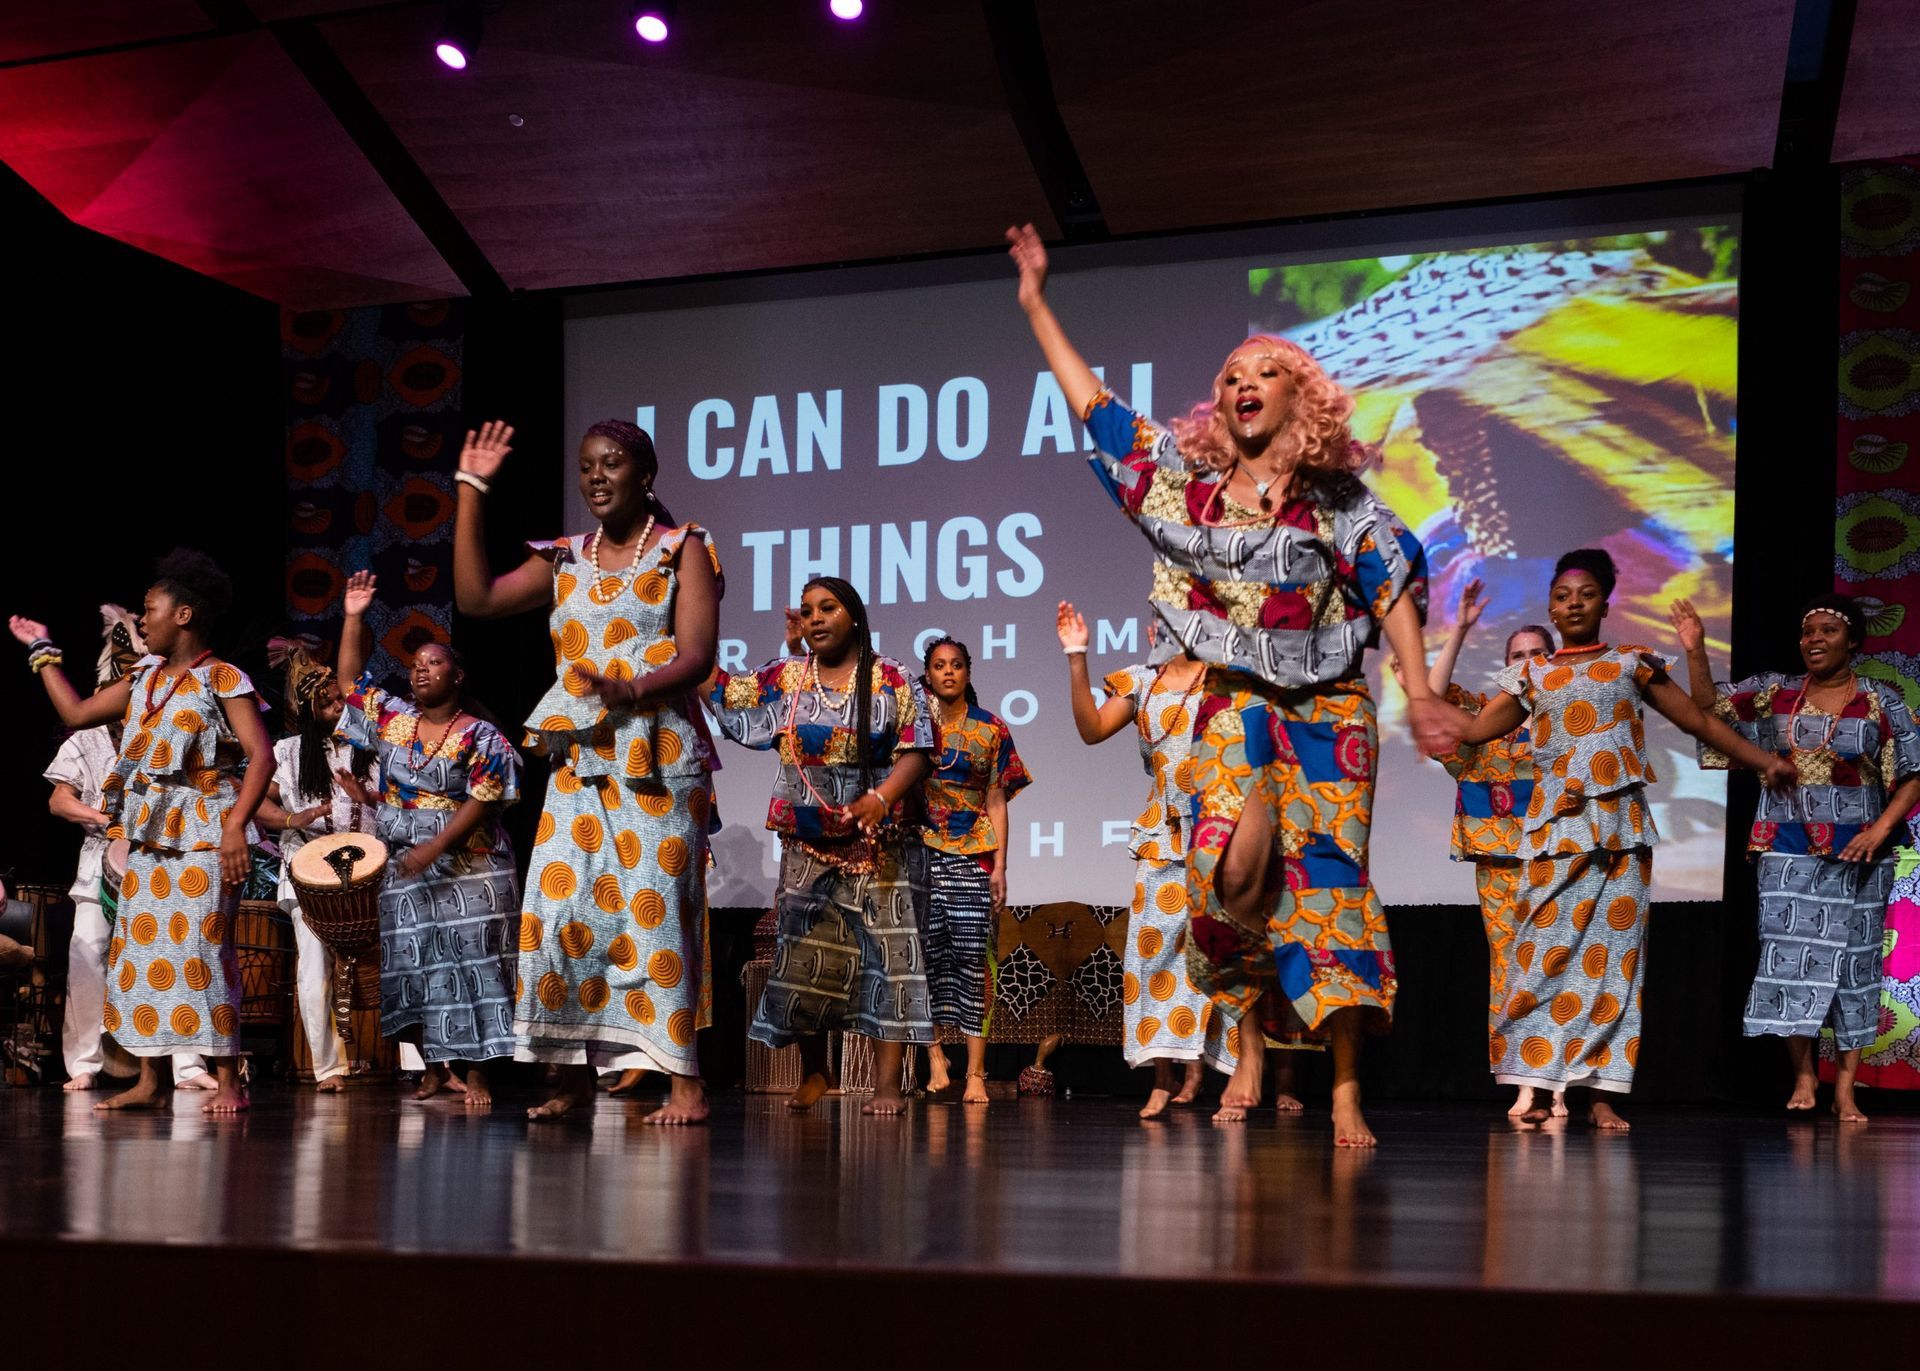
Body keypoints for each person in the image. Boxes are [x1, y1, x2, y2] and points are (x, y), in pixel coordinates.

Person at [1007, 223, 1455, 1146]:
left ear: (1302, 395)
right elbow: (1097, 408)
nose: (1241, 382)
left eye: (1264, 370)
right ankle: (1250, 1028)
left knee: (1329, 893)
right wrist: (1036, 304)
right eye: (1229, 375)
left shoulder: (1339, 505)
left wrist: (1420, 692)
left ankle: (1340, 1089)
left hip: (1330, 716)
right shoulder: (1186, 491)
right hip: (1233, 705)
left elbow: (1396, 592)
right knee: (1236, 876)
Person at [1451, 549, 1794, 1129]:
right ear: (1551, 608)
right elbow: (1472, 732)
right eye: (1562, 596)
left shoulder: (1632, 662)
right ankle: (1534, 1083)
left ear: (1605, 603)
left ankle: (1601, 1094)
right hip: (1555, 831)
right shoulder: (1532, 673)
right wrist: (1428, 696)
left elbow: (1699, 721)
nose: (1573, 603)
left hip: (1620, 833)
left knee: (1613, 965)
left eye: (1584, 594)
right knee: (1538, 956)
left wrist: (1764, 761)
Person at [450, 418, 722, 1125]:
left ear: (645, 473)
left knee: (655, 918)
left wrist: (632, 688)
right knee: (563, 915)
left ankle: (684, 1083)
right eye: (585, 466)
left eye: (611, 464)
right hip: (579, 765)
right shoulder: (565, 556)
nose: (596, 476)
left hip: (658, 761)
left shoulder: (680, 548)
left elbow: (697, 654)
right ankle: (567, 1070)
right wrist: (472, 488)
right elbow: (476, 598)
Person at [12, 550, 272, 1114]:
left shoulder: (222, 677)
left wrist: (235, 828)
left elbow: (261, 757)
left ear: (183, 615)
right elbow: (78, 714)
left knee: (202, 953)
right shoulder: (146, 678)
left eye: (150, 610)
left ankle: (227, 1080)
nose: (142, 620)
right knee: (142, 956)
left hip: (204, 836)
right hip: (151, 840)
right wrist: (41, 652)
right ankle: (151, 1080)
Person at [1674, 594, 1920, 1123]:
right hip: (1787, 849)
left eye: (1827, 631)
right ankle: (1805, 1075)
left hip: (1861, 854)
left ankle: (1846, 1088)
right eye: (1808, 632)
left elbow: (1914, 772)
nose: (1814, 640)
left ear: (1852, 640)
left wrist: (1879, 829)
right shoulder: (1775, 693)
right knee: (1789, 963)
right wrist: (1695, 650)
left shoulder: (1880, 699)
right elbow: (1707, 710)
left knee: (1855, 968)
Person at [708, 576, 935, 1116]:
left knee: (890, 959)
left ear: (853, 615)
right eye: (807, 611)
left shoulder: (893, 679)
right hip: (807, 842)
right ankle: (815, 1071)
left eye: (827, 608)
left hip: (879, 843)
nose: (815, 618)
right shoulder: (787, 678)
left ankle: (886, 1086)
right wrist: (688, 637)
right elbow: (725, 694)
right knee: (803, 958)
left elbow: (919, 749)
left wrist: (881, 797)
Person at [335, 571, 521, 1110]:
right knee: (412, 966)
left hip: (470, 866)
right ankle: (436, 1068)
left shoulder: (481, 736)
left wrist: (436, 847)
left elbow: (485, 795)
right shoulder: (394, 720)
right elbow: (351, 684)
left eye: (434, 662)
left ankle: (480, 1074)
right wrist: (352, 617)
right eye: (416, 663)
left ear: (458, 675)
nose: (420, 667)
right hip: (406, 866)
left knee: (474, 966)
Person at [1057, 602, 1250, 1119]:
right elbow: (1092, 729)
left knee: (1220, 951)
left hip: (1223, 833)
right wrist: (1077, 657)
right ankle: (1164, 1078)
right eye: (1154, 621)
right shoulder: (1141, 682)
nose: (1155, 629)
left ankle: (1215, 1072)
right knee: (1155, 953)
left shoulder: (1227, 679)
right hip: (1162, 834)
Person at [46, 604, 218, 1093]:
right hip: (100, 861)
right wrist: (108, 822)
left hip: (162, 857)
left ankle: (188, 1065)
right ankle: (83, 1064)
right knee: (87, 948)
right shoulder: (87, 738)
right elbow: (59, 800)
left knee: (174, 950)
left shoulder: (165, 728)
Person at [1417, 580, 1564, 1118]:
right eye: (1518, 656)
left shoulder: (1570, 717)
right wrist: (1459, 628)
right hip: (1498, 859)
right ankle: (1525, 1084)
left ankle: (1564, 1085)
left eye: (1536, 654)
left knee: (1561, 966)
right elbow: (1431, 698)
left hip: (1559, 855)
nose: (1527, 663)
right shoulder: (1483, 714)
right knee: (1509, 969)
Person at [254, 642, 378, 1092]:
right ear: (307, 711)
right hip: (308, 873)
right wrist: (294, 818)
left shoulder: (371, 746)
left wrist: (370, 801)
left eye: (339, 699)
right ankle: (329, 1068)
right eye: (324, 703)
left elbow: (401, 798)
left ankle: (418, 1064)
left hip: (371, 871)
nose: (334, 707)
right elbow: (257, 805)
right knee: (313, 967)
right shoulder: (287, 753)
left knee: (395, 962)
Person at [918, 635, 1031, 1104]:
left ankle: (977, 1073)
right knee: (917, 963)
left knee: (973, 962)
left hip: (974, 854)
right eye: (939, 665)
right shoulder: (913, 728)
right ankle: (935, 1058)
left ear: (968, 672)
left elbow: (998, 798)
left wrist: (1001, 865)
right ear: (927, 675)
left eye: (957, 664)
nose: (948, 672)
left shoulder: (991, 728)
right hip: (920, 853)